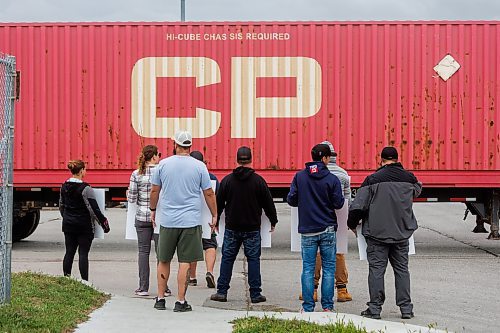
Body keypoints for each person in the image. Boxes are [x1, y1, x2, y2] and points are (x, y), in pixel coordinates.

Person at [347, 146, 422, 320]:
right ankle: (406, 309)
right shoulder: (409, 178)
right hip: (402, 232)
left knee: (376, 271)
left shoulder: (372, 179)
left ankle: (375, 309)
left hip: (376, 234)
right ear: (397, 159)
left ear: (380, 160)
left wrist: (351, 224)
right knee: (402, 270)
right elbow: (417, 190)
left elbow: (358, 206)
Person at [150, 130, 217, 312]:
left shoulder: (162, 165)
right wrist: (214, 214)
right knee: (185, 261)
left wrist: (153, 210)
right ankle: (180, 301)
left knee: (163, 260)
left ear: (175, 145)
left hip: (168, 221)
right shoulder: (199, 166)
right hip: (190, 222)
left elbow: (155, 191)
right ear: (190, 146)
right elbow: (208, 193)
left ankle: (160, 298)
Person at [210, 146, 278, 304]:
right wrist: (273, 220)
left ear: (237, 160)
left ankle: (221, 292)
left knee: (227, 259)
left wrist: (216, 219)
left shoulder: (227, 181)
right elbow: (268, 204)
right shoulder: (258, 181)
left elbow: (218, 202)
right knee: (253, 260)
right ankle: (255, 294)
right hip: (252, 229)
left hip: (232, 228)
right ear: (251, 159)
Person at [287, 144, 344, 312]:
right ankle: (327, 307)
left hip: (308, 229)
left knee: (308, 269)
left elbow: (291, 200)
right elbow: (339, 203)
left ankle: (308, 307)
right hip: (327, 228)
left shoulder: (300, 177)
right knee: (328, 268)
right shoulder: (332, 179)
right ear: (326, 158)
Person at [299, 141, 353, 303]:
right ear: (331, 157)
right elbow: (347, 201)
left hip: (312, 221)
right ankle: (342, 289)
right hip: (335, 220)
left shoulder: (306, 174)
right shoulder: (342, 174)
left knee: (313, 257)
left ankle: (312, 291)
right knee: (338, 254)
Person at [127, 145, 171, 297]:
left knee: (143, 252)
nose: (159, 157)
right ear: (153, 157)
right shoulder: (162, 172)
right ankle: (164, 288)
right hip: (159, 218)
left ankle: (143, 287)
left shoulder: (136, 174)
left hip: (141, 216)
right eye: (158, 154)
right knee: (162, 254)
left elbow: (132, 199)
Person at [59, 160, 110, 281]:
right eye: (85, 169)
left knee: (69, 252)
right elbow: (94, 209)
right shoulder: (86, 188)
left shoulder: (64, 186)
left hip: (68, 225)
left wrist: (66, 217)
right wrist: (104, 224)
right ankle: (84, 281)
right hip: (84, 226)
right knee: (83, 254)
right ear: (81, 171)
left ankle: (66, 278)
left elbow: (61, 205)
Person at [188, 150, 219, 289]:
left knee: (192, 247)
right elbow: (215, 196)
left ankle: (192, 277)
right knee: (210, 245)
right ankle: (209, 272)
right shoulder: (211, 178)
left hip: (190, 218)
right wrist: (215, 215)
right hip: (207, 218)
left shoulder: (186, 176)